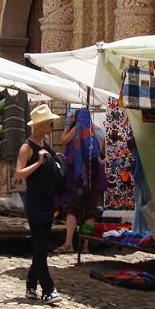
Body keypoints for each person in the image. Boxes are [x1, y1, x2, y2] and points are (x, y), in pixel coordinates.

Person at [16, 104, 62, 304]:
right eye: (50, 123)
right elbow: (19, 174)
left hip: (47, 201)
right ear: (41, 125)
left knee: (41, 246)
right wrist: (38, 163)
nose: (52, 126)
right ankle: (48, 288)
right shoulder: (27, 147)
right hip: (34, 201)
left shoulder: (46, 145)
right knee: (41, 245)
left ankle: (31, 284)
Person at [54, 108, 106, 253]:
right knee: (90, 211)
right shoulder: (96, 131)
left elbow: (63, 140)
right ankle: (85, 246)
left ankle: (69, 243)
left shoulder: (76, 130)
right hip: (94, 177)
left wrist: (67, 125)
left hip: (77, 177)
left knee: (72, 209)